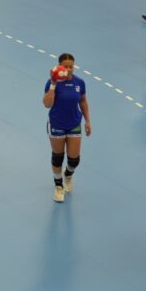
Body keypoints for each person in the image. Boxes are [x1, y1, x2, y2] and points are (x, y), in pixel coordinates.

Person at [43, 53, 92, 203]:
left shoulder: (80, 83)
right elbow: (47, 104)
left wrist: (88, 121)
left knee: (74, 159)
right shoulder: (52, 83)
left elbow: (83, 101)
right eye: (65, 67)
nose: (69, 69)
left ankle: (68, 175)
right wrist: (53, 84)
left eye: (71, 66)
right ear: (59, 67)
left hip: (74, 123)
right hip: (57, 124)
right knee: (58, 157)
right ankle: (58, 186)